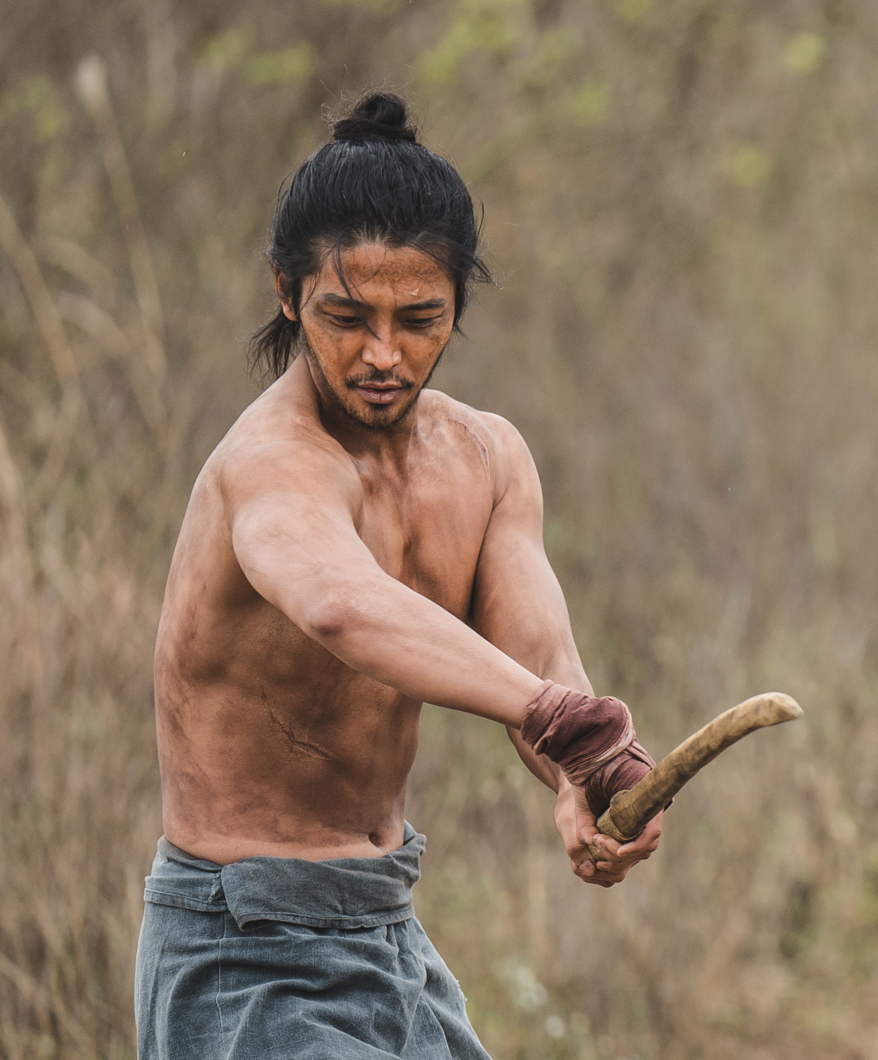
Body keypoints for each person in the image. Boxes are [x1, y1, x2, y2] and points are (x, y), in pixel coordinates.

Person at [136, 92, 664, 1060]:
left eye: (418, 317)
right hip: (243, 947)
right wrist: (559, 716)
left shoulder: (488, 458)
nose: (382, 353)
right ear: (288, 294)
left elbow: (538, 656)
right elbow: (341, 604)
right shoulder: (270, 462)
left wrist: (578, 770)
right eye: (347, 315)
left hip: (387, 927)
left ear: (458, 300)